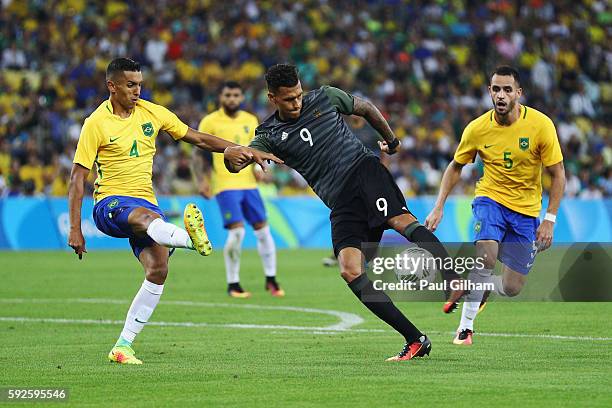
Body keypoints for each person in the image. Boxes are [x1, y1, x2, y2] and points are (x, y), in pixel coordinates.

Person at [225, 64, 462, 361]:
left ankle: (453, 278)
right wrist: (231, 156)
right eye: (288, 99)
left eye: (298, 95)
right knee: (350, 269)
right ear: (272, 98)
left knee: (401, 222)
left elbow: (366, 108)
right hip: (339, 200)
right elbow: (238, 162)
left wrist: (391, 141)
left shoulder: (325, 97)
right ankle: (415, 339)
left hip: (363, 171)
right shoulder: (269, 134)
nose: (297, 102)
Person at [68, 58, 280, 364]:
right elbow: (77, 177)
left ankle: (123, 346)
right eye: (130, 85)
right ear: (111, 86)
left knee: (158, 270)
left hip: (146, 203)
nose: (137, 90)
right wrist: (74, 228)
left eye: (139, 84)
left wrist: (236, 148)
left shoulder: (152, 112)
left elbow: (195, 136)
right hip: (110, 203)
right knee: (147, 219)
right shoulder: (96, 123)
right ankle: (188, 238)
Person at [425, 65, 565, 346]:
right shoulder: (477, 129)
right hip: (490, 200)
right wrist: (439, 205)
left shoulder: (540, 125)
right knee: (485, 258)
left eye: (507, 90)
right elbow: (455, 167)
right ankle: (465, 329)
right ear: (490, 92)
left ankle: (483, 288)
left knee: (512, 287)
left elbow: (558, 173)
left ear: (518, 93)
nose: (501, 95)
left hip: (526, 210)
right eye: (496, 89)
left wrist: (549, 219)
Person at [198, 81, 283, 298]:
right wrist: (201, 180)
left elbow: (256, 147)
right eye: (228, 95)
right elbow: (200, 154)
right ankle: (233, 283)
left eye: (236, 95)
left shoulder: (250, 119)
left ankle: (271, 279)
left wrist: (256, 166)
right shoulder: (209, 121)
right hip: (225, 186)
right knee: (237, 232)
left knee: (263, 231)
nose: (232, 99)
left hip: (250, 186)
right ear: (220, 97)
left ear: (242, 97)